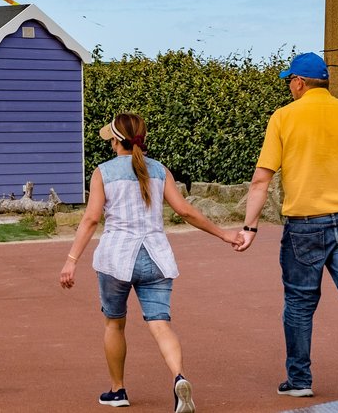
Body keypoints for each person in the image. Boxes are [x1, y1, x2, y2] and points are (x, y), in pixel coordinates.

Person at [59, 113, 240, 412]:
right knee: (160, 324)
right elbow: (185, 211)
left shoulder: (103, 172)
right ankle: (179, 377)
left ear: (116, 141)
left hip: (116, 260)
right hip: (157, 258)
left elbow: (91, 219)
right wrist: (224, 235)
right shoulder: (159, 170)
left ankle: (118, 392)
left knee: (114, 324)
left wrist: (71, 260)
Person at [237, 52, 338, 403]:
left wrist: (250, 226)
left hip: (305, 224)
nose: (289, 86)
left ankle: (299, 379)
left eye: (290, 80)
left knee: (300, 303)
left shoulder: (284, 117)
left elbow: (262, 180)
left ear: (300, 83)